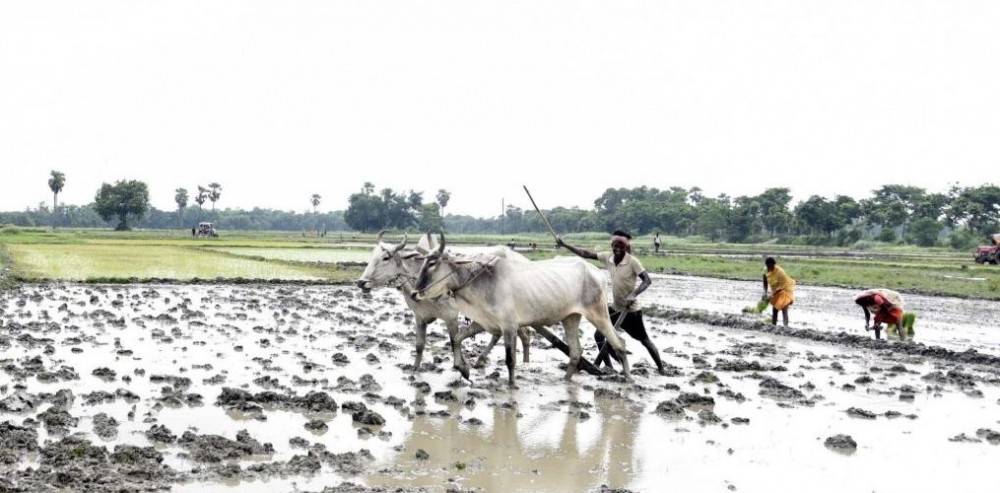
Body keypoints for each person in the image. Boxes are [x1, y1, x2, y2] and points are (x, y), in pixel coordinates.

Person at [556, 231, 666, 374]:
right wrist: (564, 244)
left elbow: (647, 280)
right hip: (616, 308)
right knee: (599, 335)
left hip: (631, 311)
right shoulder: (609, 258)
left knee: (644, 340)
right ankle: (609, 367)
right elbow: (585, 254)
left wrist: (633, 294)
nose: (617, 249)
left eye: (620, 246)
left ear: (625, 248)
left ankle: (661, 369)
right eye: (614, 246)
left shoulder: (632, 261)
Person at [762, 257, 795, 326]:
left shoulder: (780, 272)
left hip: (785, 289)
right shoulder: (765, 270)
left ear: (774, 265)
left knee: (784, 308)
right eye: (768, 266)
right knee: (775, 309)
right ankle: (773, 326)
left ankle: (785, 327)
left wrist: (770, 296)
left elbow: (781, 286)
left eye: (771, 266)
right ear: (766, 265)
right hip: (775, 290)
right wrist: (765, 292)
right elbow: (765, 282)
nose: (770, 268)